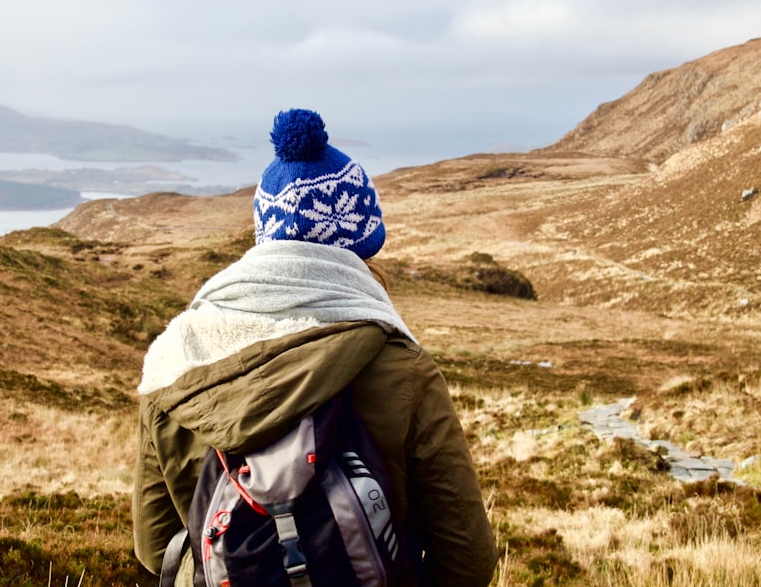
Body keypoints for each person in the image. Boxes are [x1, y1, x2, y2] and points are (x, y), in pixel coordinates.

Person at [132, 109, 499, 586]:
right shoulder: (404, 369)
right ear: (360, 245)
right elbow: (468, 560)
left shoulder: (174, 363)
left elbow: (154, 547)